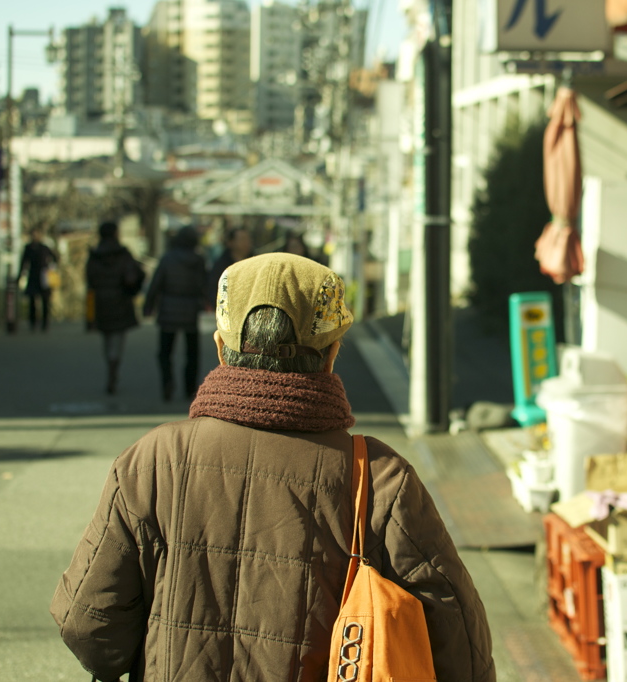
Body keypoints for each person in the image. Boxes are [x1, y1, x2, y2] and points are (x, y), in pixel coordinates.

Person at [50, 253, 496, 682]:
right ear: (331, 354)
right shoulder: (379, 478)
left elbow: (89, 627)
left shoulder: (153, 460)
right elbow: (461, 646)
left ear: (221, 348)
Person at [143, 225, 208, 401]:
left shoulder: (167, 259)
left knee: (165, 352)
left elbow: (156, 283)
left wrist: (148, 306)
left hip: (168, 310)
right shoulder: (198, 260)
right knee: (192, 353)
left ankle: (167, 383)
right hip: (190, 310)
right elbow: (205, 284)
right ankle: (189, 388)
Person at [85, 221, 144, 395]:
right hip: (120, 300)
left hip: (101, 302)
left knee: (106, 336)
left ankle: (110, 367)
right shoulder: (123, 254)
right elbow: (135, 274)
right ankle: (114, 366)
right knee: (117, 338)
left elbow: (89, 281)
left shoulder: (94, 256)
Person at [16, 228, 57, 332]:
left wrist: (51, 268)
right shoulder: (28, 248)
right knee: (32, 301)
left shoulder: (44, 248)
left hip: (43, 276)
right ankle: (33, 322)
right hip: (33, 275)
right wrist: (20, 276)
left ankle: (45, 323)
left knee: (45, 301)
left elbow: (55, 258)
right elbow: (24, 263)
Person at [207, 226, 253, 308]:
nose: (246, 243)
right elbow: (213, 288)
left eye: (247, 239)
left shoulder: (255, 262)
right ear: (231, 242)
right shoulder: (221, 265)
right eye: (242, 239)